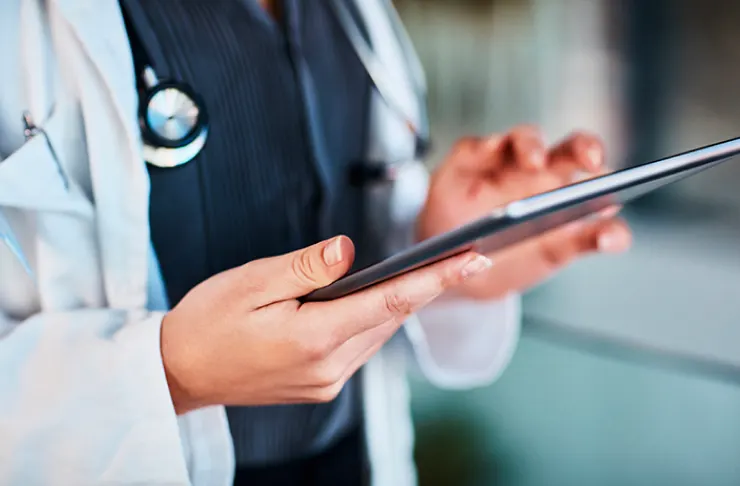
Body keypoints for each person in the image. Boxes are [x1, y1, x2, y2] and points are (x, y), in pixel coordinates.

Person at [0, 0, 631, 485]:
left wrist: (439, 242)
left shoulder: (347, 12)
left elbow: (348, 214)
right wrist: (168, 375)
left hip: (352, 461)